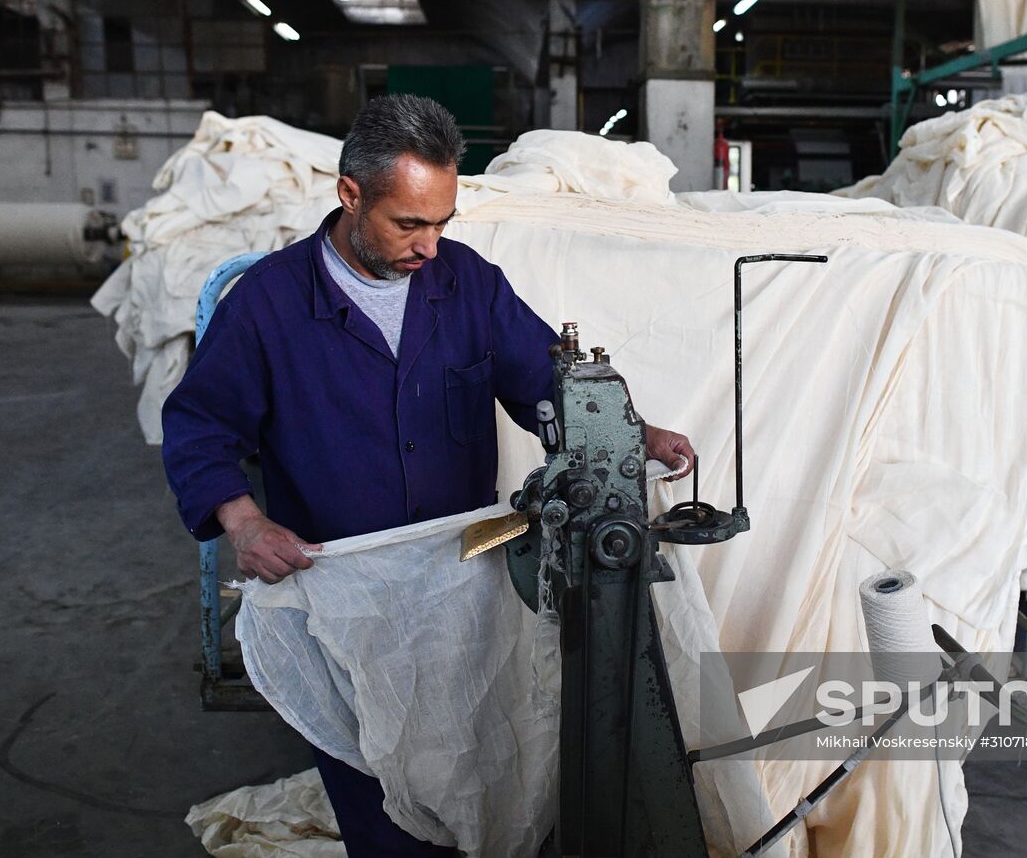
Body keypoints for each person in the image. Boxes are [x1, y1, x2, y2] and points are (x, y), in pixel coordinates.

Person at [161, 95, 694, 856]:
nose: (429, 247)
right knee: (379, 801)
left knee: (470, 776)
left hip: (458, 596)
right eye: (408, 224)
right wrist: (242, 521)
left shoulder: (468, 286)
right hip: (346, 605)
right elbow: (199, 426)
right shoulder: (270, 305)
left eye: (441, 223)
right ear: (351, 194)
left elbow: (547, 385)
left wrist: (629, 435)